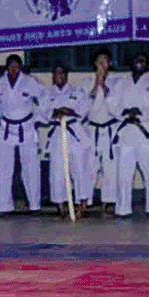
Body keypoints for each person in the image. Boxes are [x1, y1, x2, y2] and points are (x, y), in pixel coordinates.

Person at [108, 52, 149, 218]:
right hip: (126, 131)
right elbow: (111, 104)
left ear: (147, 64)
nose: (139, 62)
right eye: (136, 59)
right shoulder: (120, 83)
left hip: (146, 131)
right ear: (130, 63)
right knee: (124, 174)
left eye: (143, 60)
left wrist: (141, 112)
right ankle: (123, 209)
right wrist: (123, 112)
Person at [0, 54, 45, 215]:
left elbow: (44, 99)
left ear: (20, 67)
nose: (13, 68)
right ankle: (3, 206)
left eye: (16, 65)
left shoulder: (30, 81)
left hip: (26, 128)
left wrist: (39, 118)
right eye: (10, 65)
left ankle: (35, 205)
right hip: (5, 128)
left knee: (31, 168)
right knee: (2, 168)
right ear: (6, 67)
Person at [42, 64, 91, 218]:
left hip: (74, 131)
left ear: (66, 75)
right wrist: (55, 112)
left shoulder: (77, 92)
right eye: (56, 73)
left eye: (61, 73)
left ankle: (82, 203)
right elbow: (43, 114)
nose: (59, 76)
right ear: (52, 76)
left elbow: (84, 110)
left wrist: (69, 111)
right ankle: (60, 204)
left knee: (79, 168)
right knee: (57, 170)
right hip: (57, 132)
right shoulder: (47, 93)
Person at [81, 49, 121, 214]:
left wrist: (104, 84)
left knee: (110, 168)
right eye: (99, 62)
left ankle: (107, 203)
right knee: (90, 166)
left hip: (110, 128)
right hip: (93, 129)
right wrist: (97, 83)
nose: (102, 65)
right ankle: (86, 201)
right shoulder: (86, 82)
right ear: (94, 64)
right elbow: (84, 106)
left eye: (105, 62)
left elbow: (117, 106)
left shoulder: (117, 82)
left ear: (109, 64)